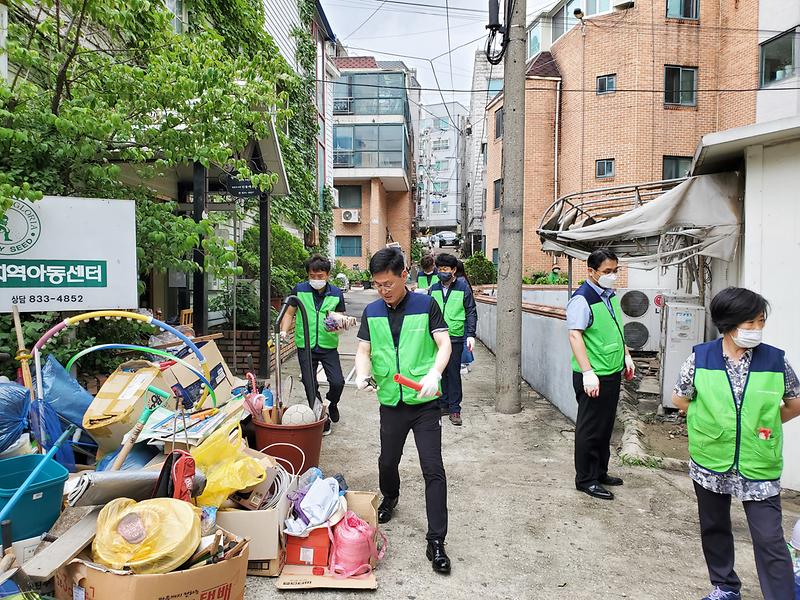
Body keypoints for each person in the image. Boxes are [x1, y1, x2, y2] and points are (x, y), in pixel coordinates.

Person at [672, 287, 800, 600]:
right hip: (711, 459)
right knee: (714, 528)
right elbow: (680, 398)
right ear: (729, 323)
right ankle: (725, 587)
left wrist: (761, 428)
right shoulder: (700, 358)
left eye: (761, 322)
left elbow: (794, 403)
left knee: (769, 538)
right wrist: (713, 425)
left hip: (758, 461)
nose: (758, 328)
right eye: (752, 322)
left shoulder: (774, 360)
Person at [354, 247, 453, 574]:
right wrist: (363, 372)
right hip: (391, 402)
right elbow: (364, 350)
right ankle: (391, 497)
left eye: (388, 284)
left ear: (403, 275)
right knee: (387, 461)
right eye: (377, 284)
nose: (382, 290)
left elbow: (444, 344)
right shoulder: (372, 311)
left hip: (424, 402)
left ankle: (436, 540)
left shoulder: (426, 305)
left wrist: (434, 374)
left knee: (432, 468)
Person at [566, 248, 634, 500]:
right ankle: (585, 479)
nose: (612, 275)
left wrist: (626, 355)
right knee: (590, 428)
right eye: (607, 271)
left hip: (612, 371)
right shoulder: (582, 299)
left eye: (615, 270)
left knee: (605, 427)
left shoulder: (609, 296)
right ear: (591, 272)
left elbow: (616, 328)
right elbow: (575, 335)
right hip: (594, 375)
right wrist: (587, 372)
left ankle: (600, 471)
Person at [280, 254, 346, 435]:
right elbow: (288, 313)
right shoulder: (300, 290)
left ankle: (332, 403)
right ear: (308, 275)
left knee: (338, 382)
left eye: (320, 276)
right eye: (312, 276)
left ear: (328, 275)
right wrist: (284, 331)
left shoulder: (336, 293)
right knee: (310, 384)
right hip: (306, 345)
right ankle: (321, 419)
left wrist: (339, 325)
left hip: (328, 345)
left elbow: (339, 318)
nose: (316, 280)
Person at [428, 253, 478, 426]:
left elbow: (471, 311)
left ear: (454, 270)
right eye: (440, 269)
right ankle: (443, 404)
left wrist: (470, 334)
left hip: (455, 336)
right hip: (436, 338)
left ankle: (455, 408)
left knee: (453, 373)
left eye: (446, 269)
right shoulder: (433, 288)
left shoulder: (463, 287)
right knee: (440, 372)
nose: (442, 272)